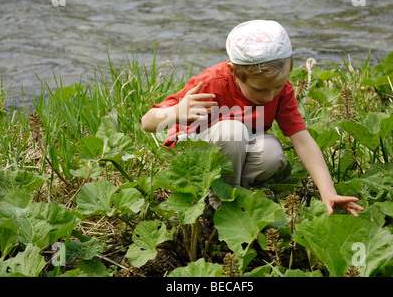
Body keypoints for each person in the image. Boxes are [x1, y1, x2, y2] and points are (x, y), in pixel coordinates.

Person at [141, 20, 364, 216]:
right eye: (259, 90)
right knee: (232, 130)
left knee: (272, 153)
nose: (269, 96)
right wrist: (176, 112)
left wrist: (328, 192)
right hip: (194, 159)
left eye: (276, 87)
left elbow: (302, 140)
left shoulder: (282, 90)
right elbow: (147, 122)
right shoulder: (211, 83)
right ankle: (220, 206)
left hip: (235, 152)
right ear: (234, 72)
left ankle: (232, 193)